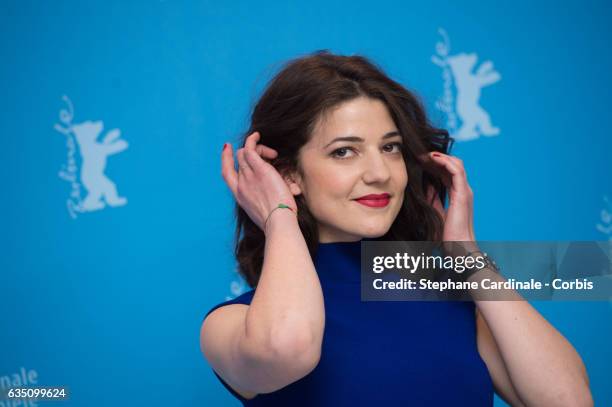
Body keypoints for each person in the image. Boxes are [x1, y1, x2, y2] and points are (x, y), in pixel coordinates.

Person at [200, 50, 592, 406]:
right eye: (344, 151)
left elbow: (568, 402)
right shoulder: (233, 324)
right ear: (287, 173)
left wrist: (466, 256)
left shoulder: (452, 302)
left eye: (390, 147)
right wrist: (278, 215)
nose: (380, 173)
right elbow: (288, 348)